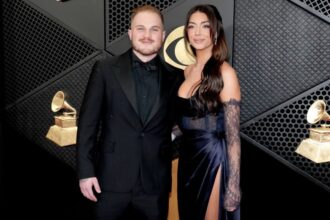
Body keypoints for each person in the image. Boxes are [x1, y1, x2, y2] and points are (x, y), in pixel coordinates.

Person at [76, 5, 183, 220]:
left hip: (155, 186)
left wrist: (164, 147)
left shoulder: (176, 76)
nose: (147, 35)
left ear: (162, 35)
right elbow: (88, 124)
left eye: (154, 30)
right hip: (108, 182)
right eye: (140, 28)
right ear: (130, 33)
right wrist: (85, 172)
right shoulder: (105, 69)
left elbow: (180, 124)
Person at [176, 4, 241, 220]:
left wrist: (233, 184)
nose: (197, 32)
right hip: (187, 157)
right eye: (192, 26)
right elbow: (187, 117)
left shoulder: (225, 72)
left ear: (216, 31)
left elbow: (233, 136)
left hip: (212, 157)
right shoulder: (187, 70)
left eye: (205, 26)